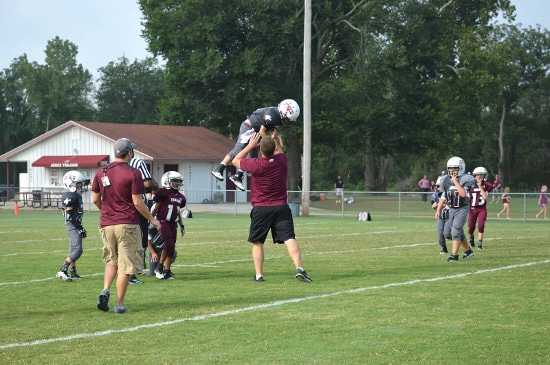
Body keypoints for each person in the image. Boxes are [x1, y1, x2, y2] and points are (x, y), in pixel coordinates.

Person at [91, 137, 161, 314]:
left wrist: (106, 211)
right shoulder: (133, 173)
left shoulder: (101, 171)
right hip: (127, 223)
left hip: (106, 224)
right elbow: (137, 202)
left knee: (112, 260)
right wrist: (152, 219)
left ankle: (105, 289)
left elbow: (94, 199)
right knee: (126, 265)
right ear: (130, 152)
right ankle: (119, 304)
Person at [232, 133, 312, 283]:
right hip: (281, 207)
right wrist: (276, 140)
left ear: (260, 149)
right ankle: (299, 268)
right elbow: (279, 152)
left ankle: (259, 275)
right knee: (289, 238)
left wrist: (250, 146)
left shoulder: (256, 164)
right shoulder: (281, 161)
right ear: (275, 148)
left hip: (261, 208)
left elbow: (236, 160)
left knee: (258, 242)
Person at [211, 99, 300, 191]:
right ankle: (219, 168)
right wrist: (271, 143)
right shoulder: (274, 115)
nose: (286, 121)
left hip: (255, 131)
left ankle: (238, 176)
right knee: (239, 148)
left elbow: (269, 127)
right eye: (287, 118)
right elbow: (262, 130)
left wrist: (275, 135)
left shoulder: (277, 116)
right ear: (283, 112)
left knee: (252, 158)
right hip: (249, 127)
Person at [436, 156, 476, 262]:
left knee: (456, 231)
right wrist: (438, 209)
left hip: (462, 208)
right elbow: (444, 195)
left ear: (461, 168)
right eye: (450, 168)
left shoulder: (467, 179)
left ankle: (454, 255)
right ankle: (468, 251)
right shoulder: (445, 180)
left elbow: (463, 194)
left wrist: (456, 182)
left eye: (455, 168)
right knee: (448, 233)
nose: (452, 170)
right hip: (452, 209)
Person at [128, 156, 159, 284]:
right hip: (137, 210)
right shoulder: (138, 163)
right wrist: (153, 185)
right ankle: (132, 274)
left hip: (123, 211)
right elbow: (147, 183)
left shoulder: (116, 167)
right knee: (138, 243)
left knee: (129, 243)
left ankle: (131, 272)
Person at [151, 171, 187, 280]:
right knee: (169, 245)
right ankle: (159, 267)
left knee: (171, 248)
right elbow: (156, 208)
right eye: (175, 181)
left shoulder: (180, 197)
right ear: (167, 181)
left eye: (178, 181)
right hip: (163, 221)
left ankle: (167, 271)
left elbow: (177, 211)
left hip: (173, 223)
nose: (177, 183)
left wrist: (182, 225)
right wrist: (150, 220)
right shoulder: (163, 193)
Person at [56, 170, 87, 282]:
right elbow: (70, 216)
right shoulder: (70, 195)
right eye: (79, 183)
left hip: (74, 224)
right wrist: (79, 227)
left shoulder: (75, 195)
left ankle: (73, 272)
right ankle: (62, 270)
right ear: (71, 183)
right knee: (78, 250)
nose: (81, 185)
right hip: (72, 224)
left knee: (73, 248)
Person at [467, 167, 493, 250]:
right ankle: (471, 239)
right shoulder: (470, 184)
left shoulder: (487, 185)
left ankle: (480, 243)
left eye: (481, 174)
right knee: (471, 227)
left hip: (482, 208)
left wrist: (480, 186)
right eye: (477, 174)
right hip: (472, 209)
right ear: (474, 175)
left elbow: (485, 197)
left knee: (481, 225)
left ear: (484, 175)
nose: (479, 176)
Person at [432, 176, 450, 254]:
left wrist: (450, 206)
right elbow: (433, 205)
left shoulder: (450, 193)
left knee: (448, 234)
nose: (440, 188)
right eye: (439, 186)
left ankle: (461, 241)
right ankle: (444, 248)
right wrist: (434, 206)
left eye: (441, 185)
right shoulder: (437, 195)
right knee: (440, 233)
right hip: (441, 217)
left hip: (449, 217)